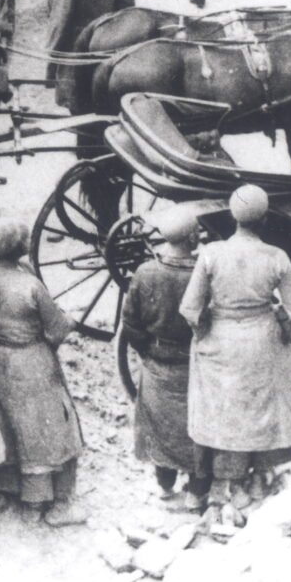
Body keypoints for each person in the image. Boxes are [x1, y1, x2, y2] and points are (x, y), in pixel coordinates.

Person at [182, 184, 291, 533]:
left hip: (221, 340)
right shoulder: (276, 256)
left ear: (232, 217)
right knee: (262, 408)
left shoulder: (211, 254)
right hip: (261, 339)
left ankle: (225, 483)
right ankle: (260, 477)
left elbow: (190, 308)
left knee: (225, 412)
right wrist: (281, 327)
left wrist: (204, 331)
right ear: (264, 219)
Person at [0, 216, 85, 522]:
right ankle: (41, 501)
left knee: (8, 422)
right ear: (19, 247)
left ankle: (9, 487)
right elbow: (56, 329)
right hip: (31, 359)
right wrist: (72, 320)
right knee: (46, 427)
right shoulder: (30, 285)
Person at [121, 203, 208, 507]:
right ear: (192, 237)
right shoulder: (202, 272)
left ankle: (165, 486)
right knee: (197, 429)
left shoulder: (145, 272)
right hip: (196, 364)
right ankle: (197, 493)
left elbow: (130, 322)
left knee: (161, 427)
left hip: (157, 362)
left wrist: (148, 350)